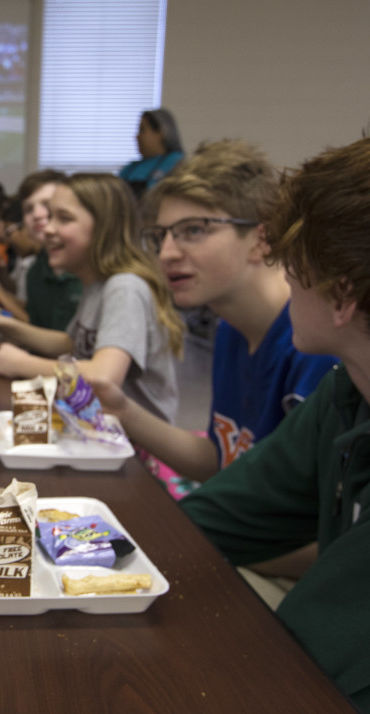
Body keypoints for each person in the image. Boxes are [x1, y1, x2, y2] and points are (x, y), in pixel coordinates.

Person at [180, 136, 370, 710]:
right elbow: (217, 518)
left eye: (295, 263)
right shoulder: (346, 391)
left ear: (342, 293)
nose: (285, 278)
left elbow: (303, 671)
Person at [94, 140, 337, 498]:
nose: (167, 253)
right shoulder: (231, 330)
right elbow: (221, 463)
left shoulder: (316, 345)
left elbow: (319, 532)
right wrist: (123, 411)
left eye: (194, 230)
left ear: (262, 239)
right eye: (160, 236)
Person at [0, 173, 183, 424]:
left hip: (135, 451)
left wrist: (23, 364)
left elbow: (103, 376)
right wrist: (5, 325)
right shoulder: (96, 285)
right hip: (94, 427)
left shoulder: (124, 287)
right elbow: (70, 344)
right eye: (50, 217)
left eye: (64, 218)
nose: (47, 228)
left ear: (104, 227)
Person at [0, 171, 82, 330]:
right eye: (29, 209)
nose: (37, 214)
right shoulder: (38, 269)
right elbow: (42, 327)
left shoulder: (82, 266)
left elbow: (66, 342)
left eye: (47, 204)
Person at [119, 108, 184, 199]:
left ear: (161, 132)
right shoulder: (130, 168)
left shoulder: (178, 163)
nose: (137, 136)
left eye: (142, 130)